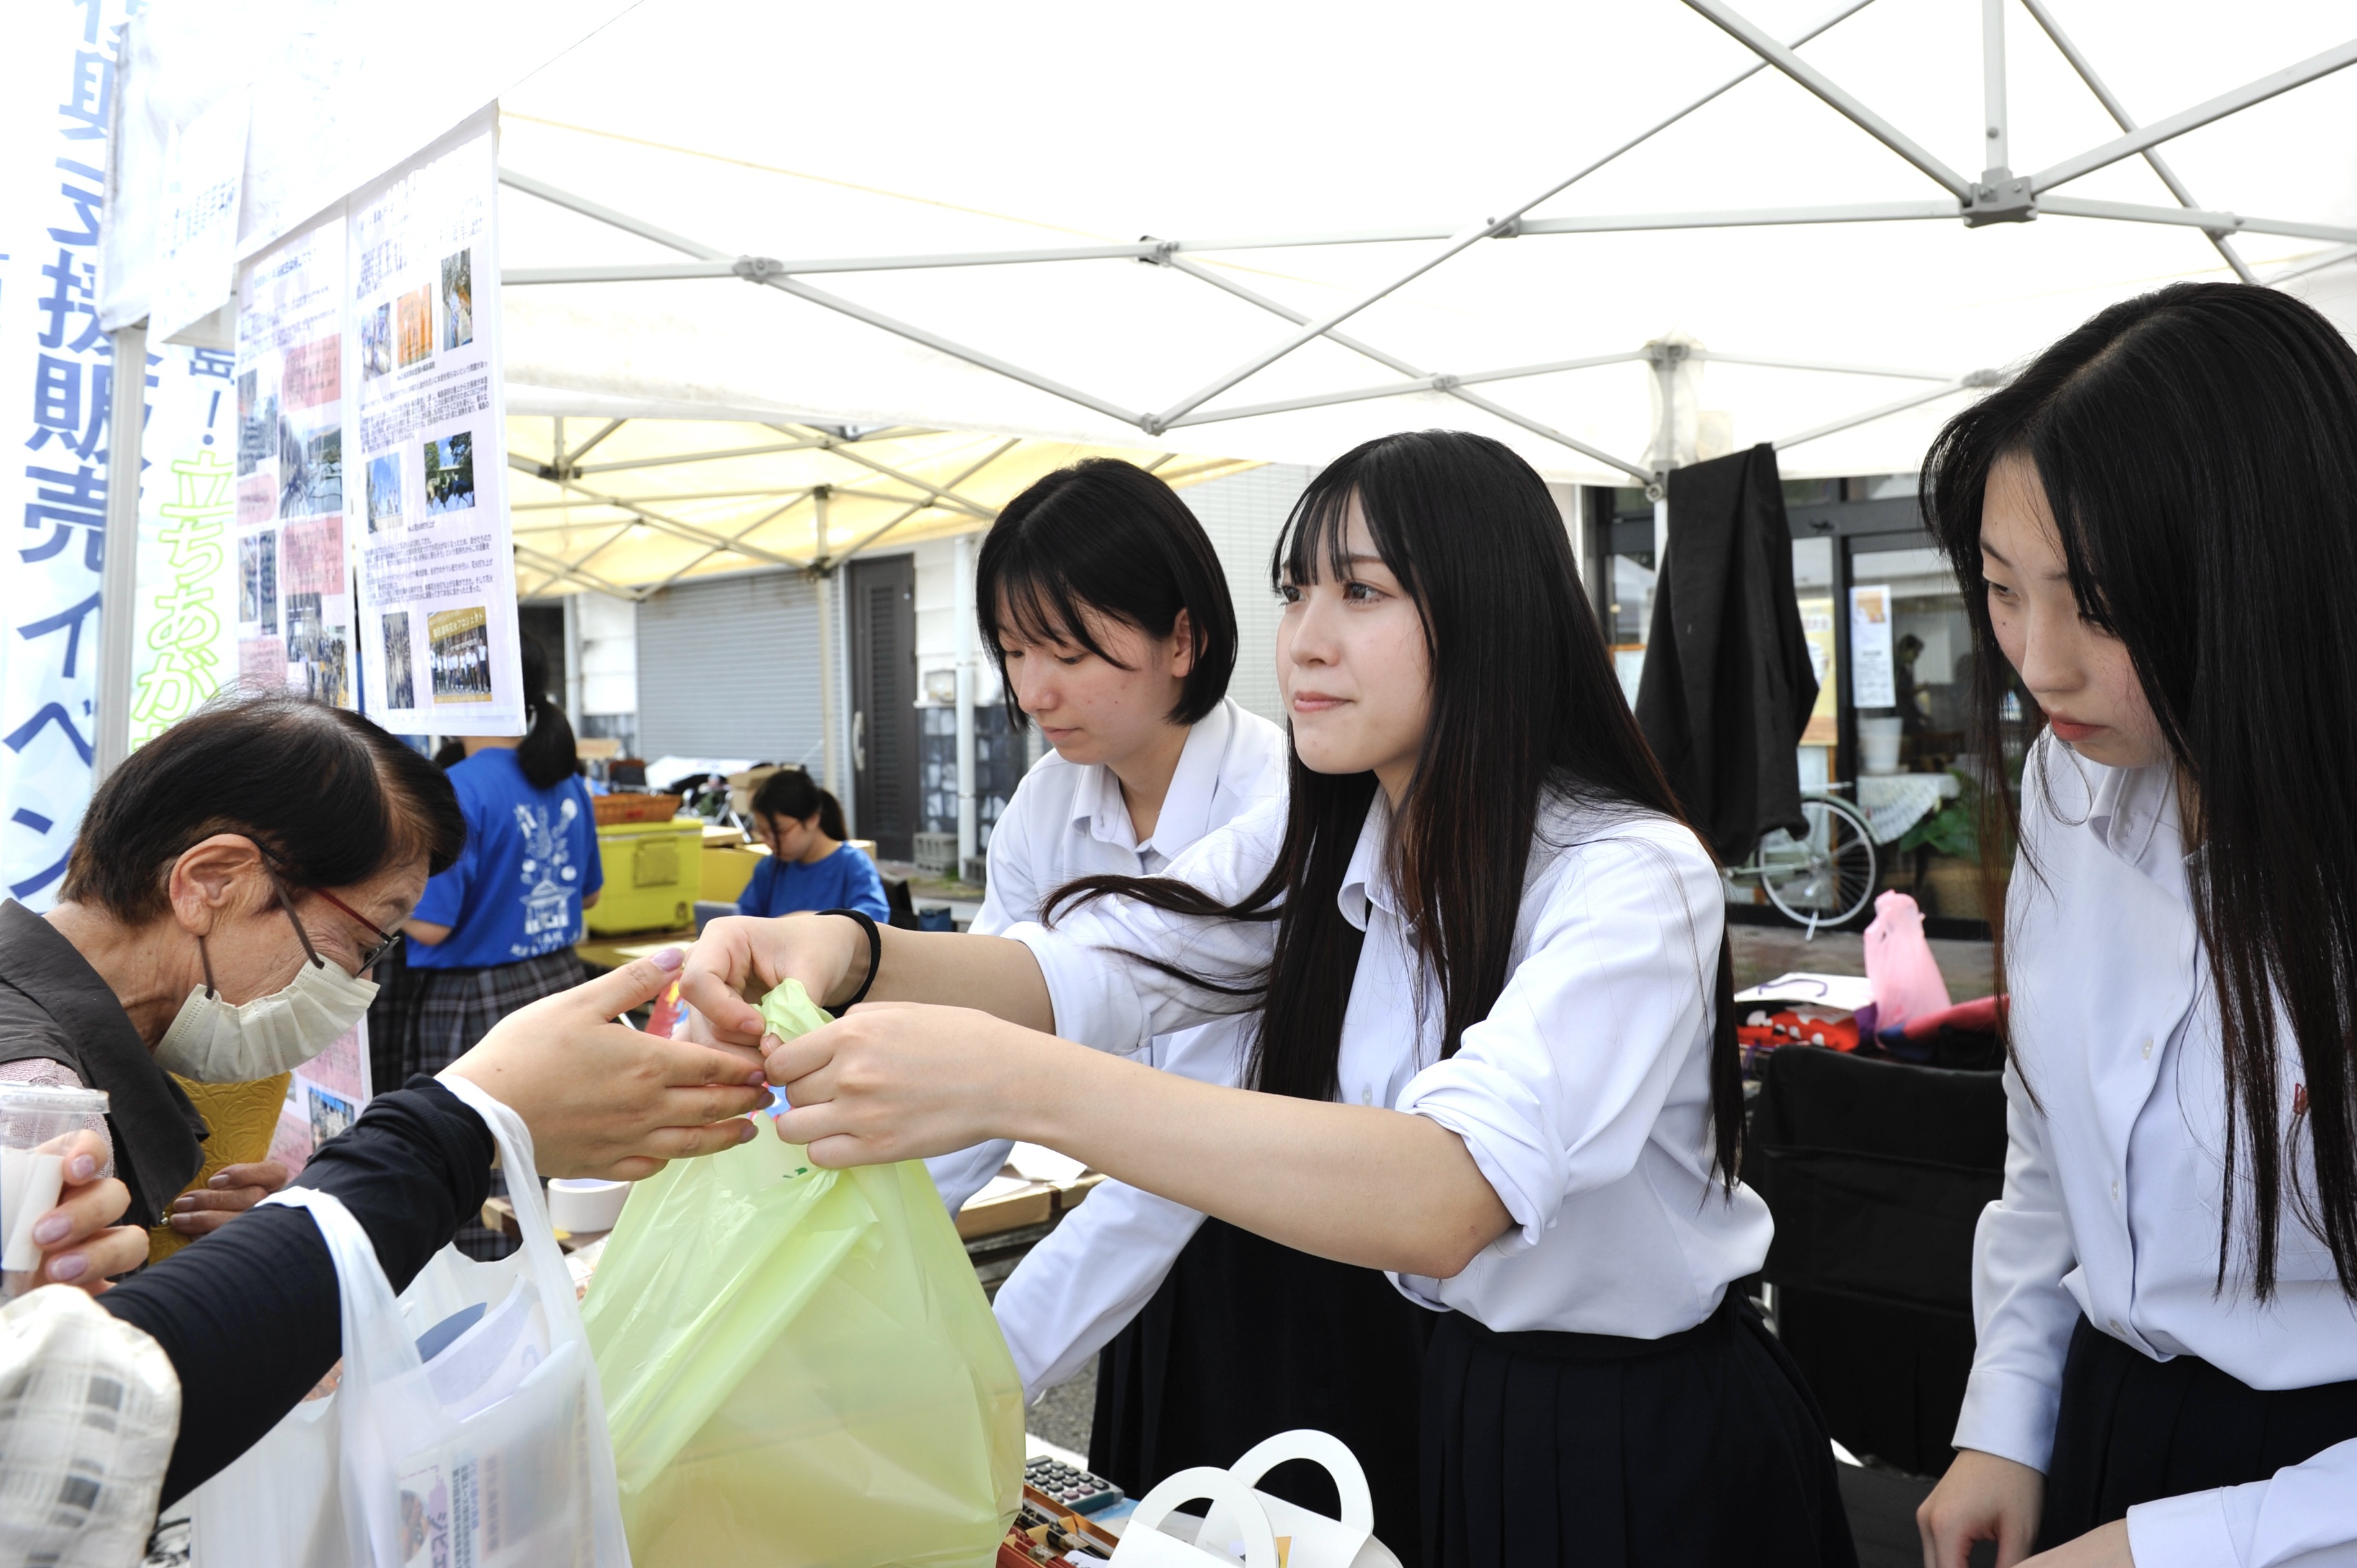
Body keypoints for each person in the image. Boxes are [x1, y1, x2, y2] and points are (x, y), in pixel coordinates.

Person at [684, 430, 1856, 1566]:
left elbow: (1449, 1189)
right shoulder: (1336, 826)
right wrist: (846, 948)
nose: (1304, 640)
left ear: (1490, 609)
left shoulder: (1629, 872)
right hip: (1458, 1387)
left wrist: (1016, 1084)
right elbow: (1100, 962)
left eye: (1361, 592)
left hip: (1643, 1431)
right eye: (1296, 592)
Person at [1910, 283, 2357, 1568]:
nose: (2036, 661)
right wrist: (2008, 1415)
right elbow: (2049, 1144)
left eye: (2096, 602)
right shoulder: (2072, 773)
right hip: (2109, 1424)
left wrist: (2173, 1544)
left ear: (2274, 571)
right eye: (2000, 590)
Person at [911, 458, 1373, 1541]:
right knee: (1149, 1517)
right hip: (1129, 1244)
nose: (1033, 691)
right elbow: (985, 1046)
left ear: (1182, 640)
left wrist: (981, 1368)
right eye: (1013, 651)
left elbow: (1183, 1154)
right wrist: (857, 1231)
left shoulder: (1280, 802)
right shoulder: (1044, 804)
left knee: (1271, 1524)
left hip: (1288, 1244)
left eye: (1067, 652)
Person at [6, 946, 769, 1563]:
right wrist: (454, 1122)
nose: (362, 978)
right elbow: (72, 1398)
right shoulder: (37, 1051)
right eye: (363, 941)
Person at [2, 691, 470, 1253]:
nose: (361, 982)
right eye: (362, 942)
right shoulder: (39, 1105)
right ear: (214, 881)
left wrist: (218, 1260)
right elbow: (61, 1310)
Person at [395, 636, 601, 1256]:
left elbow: (432, 926)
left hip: (476, 1005)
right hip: (560, 983)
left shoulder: (455, 788)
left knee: (481, 1172)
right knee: (553, 1164)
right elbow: (589, 895)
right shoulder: (566, 781)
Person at [736, 770, 890, 923]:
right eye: (762, 832)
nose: (770, 842)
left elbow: (874, 917)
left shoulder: (852, 863)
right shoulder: (770, 868)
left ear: (812, 819)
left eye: (780, 831)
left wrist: (814, 921)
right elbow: (742, 916)